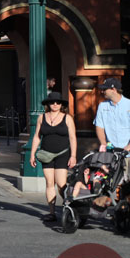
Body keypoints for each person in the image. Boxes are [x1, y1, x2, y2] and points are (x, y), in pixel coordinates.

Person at [29, 91, 78, 221]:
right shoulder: (41, 117)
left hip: (63, 154)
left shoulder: (67, 118)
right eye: (52, 102)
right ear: (48, 104)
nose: (55, 104)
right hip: (46, 154)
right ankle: (52, 212)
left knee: (61, 184)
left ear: (61, 104)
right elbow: (37, 137)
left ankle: (70, 206)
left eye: (58, 102)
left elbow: (73, 138)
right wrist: (32, 154)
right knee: (49, 183)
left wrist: (73, 156)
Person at [93, 77, 130, 186]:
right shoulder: (102, 106)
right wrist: (103, 143)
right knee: (113, 186)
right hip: (112, 154)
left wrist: (129, 147)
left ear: (114, 89)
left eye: (104, 89)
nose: (102, 91)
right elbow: (99, 127)